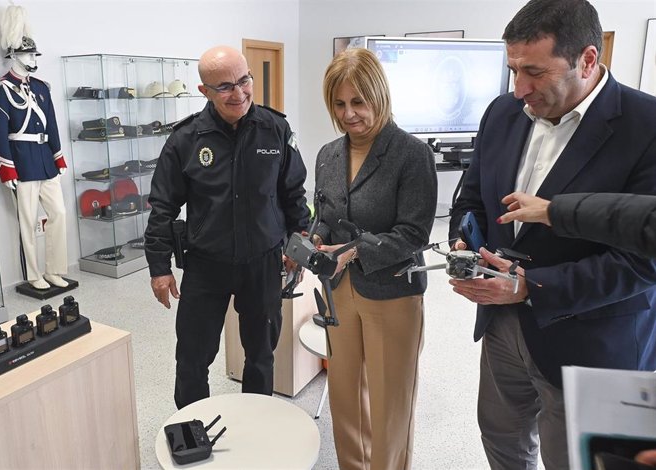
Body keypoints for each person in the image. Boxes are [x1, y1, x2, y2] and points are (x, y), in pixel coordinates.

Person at [447, 0, 656, 468]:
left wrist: (528, 288)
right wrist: (467, 238)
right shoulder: (502, 113)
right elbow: (473, 197)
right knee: (503, 440)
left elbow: (644, 262)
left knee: (579, 459)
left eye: (535, 72)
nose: (519, 88)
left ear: (587, 59)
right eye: (513, 69)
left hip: (592, 341)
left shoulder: (647, 127)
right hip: (502, 327)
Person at [144, 45, 309, 409]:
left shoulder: (275, 129)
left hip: (263, 264)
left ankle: (255, 427)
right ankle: (190, 432)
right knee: (191, 359)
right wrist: (159, 268)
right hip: (206, 265)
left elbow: (294, 194)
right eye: (225, 87)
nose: (239, 93)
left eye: (244, 81)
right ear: (204, 91)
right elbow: (162, 208)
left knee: (261, 356)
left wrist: (299, 242)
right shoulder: (185, 140)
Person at [314, 48, 437, 470]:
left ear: (378, 97)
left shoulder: (411, 154)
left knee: (389, 404)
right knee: (345, 394)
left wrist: (354, 250)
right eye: (340, 104)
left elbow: (414, 233)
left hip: (392, 293)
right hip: (339, 293)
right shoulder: (328, 154)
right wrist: (315, 239)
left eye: (358, 102)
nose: (349, 114)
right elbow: (325, 214)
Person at [0, 6, 68, 291]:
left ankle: (55, 269)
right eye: (27, 54)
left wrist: (58, 160)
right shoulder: (0, 90)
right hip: (21, 163)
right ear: (13, 56)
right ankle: (34, 274)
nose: (33, 59)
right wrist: (6, 169)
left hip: (45, 160)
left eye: (34, 54)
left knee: (59, 213)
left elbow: (53, 126)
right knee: (28, 223)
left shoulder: (42, 87)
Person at [498, 191, 656, 258]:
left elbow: (646, 228)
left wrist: (553, 212)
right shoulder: (502, 122)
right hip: (495, 313)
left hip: (590, 320)